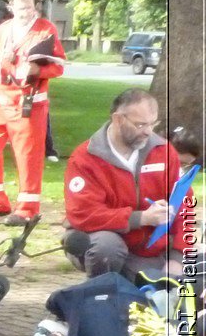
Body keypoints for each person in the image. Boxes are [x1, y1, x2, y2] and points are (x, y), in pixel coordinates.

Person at [62, 88, 194, 282]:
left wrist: (178, 257)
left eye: (153, 123)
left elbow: (185, 206)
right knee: (106, 248)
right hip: (101, 242)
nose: (148, 132)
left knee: (165, 290)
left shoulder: (164, 152)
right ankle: (101, 293)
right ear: (118, 119)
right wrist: (141, 218)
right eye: (140, 124)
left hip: (149, 248)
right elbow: (83, 215)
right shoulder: (85, 158)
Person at [0, 0, 64, 225]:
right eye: (21, 8)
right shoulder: (3, 30)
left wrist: (37, 70)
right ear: (11, 8)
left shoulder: (46, 29)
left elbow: (59, 66)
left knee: (27, 157)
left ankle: (27, 209)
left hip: (28, 104)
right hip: (0, 101)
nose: (26, 12)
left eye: (30, 7)